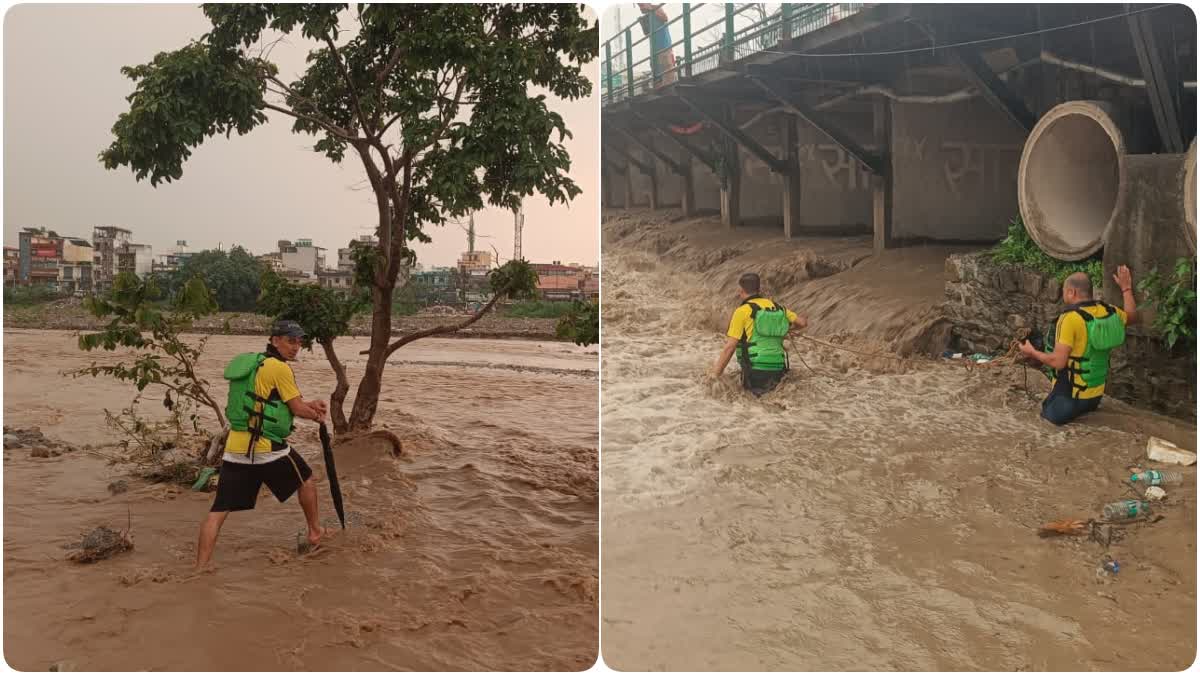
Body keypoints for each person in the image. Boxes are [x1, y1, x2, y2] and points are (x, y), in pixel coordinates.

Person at [196, 319, 330, 569]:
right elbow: (297, 408)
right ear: (275, 340)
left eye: (299, 341)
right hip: (266, 446)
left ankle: (200, 568)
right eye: (290, 341)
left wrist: (310, 404)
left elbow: (283, 400)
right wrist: (317, 415)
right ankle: (314, 532)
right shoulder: (280, 368)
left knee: (218, 511)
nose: (296, 346)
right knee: (307, 480)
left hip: (236, 448)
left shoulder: (255, 363)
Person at [1019, 266, 1138, 426]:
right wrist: (1126, 289)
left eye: (1064, 292)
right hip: (1094, 398)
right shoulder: (1108, 311)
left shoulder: (1069, 319)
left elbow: (1058, 362)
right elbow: (1132, 316)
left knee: (1040, 424)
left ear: (1071, 292)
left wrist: (1032, 352)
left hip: (1070, 400)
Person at [709, 272, 808, 396]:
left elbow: (729, 348)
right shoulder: (777, 307)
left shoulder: (742, 311)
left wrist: (714, 375)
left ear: (740, 290)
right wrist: (786, 329)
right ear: (759, 289)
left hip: (755, 370)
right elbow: (802, 323)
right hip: (779, 368)